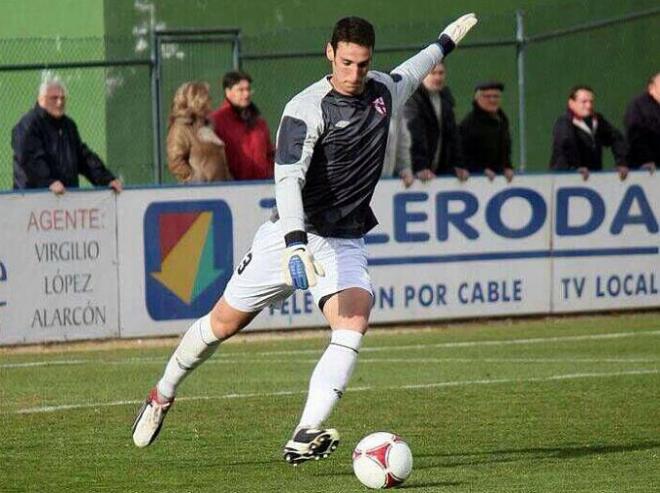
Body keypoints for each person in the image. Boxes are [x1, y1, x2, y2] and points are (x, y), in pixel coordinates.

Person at [132, 13, 478, 464]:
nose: (354, 73)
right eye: (346, 62)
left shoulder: (383, 91)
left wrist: (445, 41)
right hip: (290, 235)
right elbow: (288, 180)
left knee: (353, 322)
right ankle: (162, 393)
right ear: (330, 53)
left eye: (362, 63)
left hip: (344, 240)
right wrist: (295, 242)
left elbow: (414, 67)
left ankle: (304, 431)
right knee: (222, 325)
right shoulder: (305, 107)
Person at [12, 76, 122, 195]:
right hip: (32, 201)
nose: (59, 102)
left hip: (66, 200)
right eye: (54, 98)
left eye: (63, 98)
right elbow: (31, 159)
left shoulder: (69, 126)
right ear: (41, 99)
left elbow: (83, 157)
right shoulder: (28, 125)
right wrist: (48, 182)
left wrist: (107, 179)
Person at [399, 62, 467, 182]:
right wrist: (420, 167)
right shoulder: (412, 99)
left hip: (439, 172)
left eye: (441, 73)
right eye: (432, 73)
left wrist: (458, 164)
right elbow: (414, 135)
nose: (437, 77)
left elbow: (453, 135)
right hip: (416, 175)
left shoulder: (445, 99)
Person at [549, 85, 628, 181]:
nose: (589, 106)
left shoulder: (597, 120)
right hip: (565, 180)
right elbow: (566, 144)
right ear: (571, 103)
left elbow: (616, 138)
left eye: (591, 102)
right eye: (584, 102)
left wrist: (621, 163)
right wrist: (574, 168)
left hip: (592, 179)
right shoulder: (564, 122)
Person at [210, 71, 275, 180]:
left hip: (263, 184)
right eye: (241, 90)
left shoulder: (259, 122)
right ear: (228, 92)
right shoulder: (216, 121)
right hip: (233, 188)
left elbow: (268, 152)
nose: (246, 94)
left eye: (248, 89)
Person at [166, 81, 232, 183]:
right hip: (199, 193)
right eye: (206, 97)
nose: (210, 100)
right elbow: (175, 161)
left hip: (220, 189)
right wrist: (194, 179)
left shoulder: (208, 125)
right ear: (196, 100)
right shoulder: (181, 128)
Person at [459, 81, 514, 182]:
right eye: (487, 96)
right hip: (477, 180)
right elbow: (462, 155)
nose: (492, 100)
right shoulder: (469, 124)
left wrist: (507, 167)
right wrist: (480, 170)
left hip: (498, 178)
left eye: (496, 96)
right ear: (477, 98)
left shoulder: (502, 120)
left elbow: (505, 150)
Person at [624, 72, 660, 175]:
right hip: (643, 169)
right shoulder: (639, 105)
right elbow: (635, 135)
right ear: (651, 88)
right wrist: (645, 160)